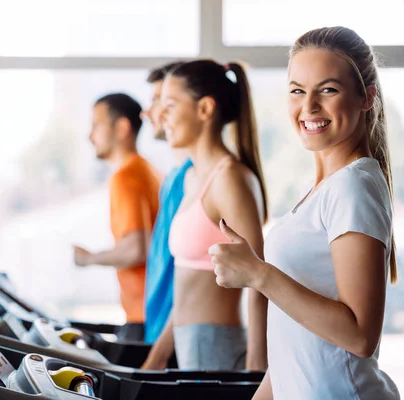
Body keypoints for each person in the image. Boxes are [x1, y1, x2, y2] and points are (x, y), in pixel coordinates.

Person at [210, 27, 400, 399]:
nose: (309, 106)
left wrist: (259, 274)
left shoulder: (353, 186)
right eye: (298, 90)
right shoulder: (323, 189)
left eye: (328, 90)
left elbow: (360, 335)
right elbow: (293, 348)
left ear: (367, 97)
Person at [142, 59, 269, 371]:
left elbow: (259, 280)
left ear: (205, 109)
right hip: (189, 347)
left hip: (219, 350)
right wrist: (158, 355)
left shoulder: (230, 179)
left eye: (170, 105)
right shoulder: (192, 179)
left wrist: (256, 367)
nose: (160, 116)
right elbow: (188, 287)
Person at [73, 93, 162, 342]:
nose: (90, 136)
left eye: (96, 126)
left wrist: (88, 259)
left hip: (143, 316)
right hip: (155, 310)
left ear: (122, 127)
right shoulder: (148, 170)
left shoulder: (125, 178)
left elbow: (135, 249)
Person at [140, 61, 193, 346]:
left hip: (177, 337)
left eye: (162, 101)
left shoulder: (197, 178)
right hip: (159, 328)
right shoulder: (172, 177)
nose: (152, 112)